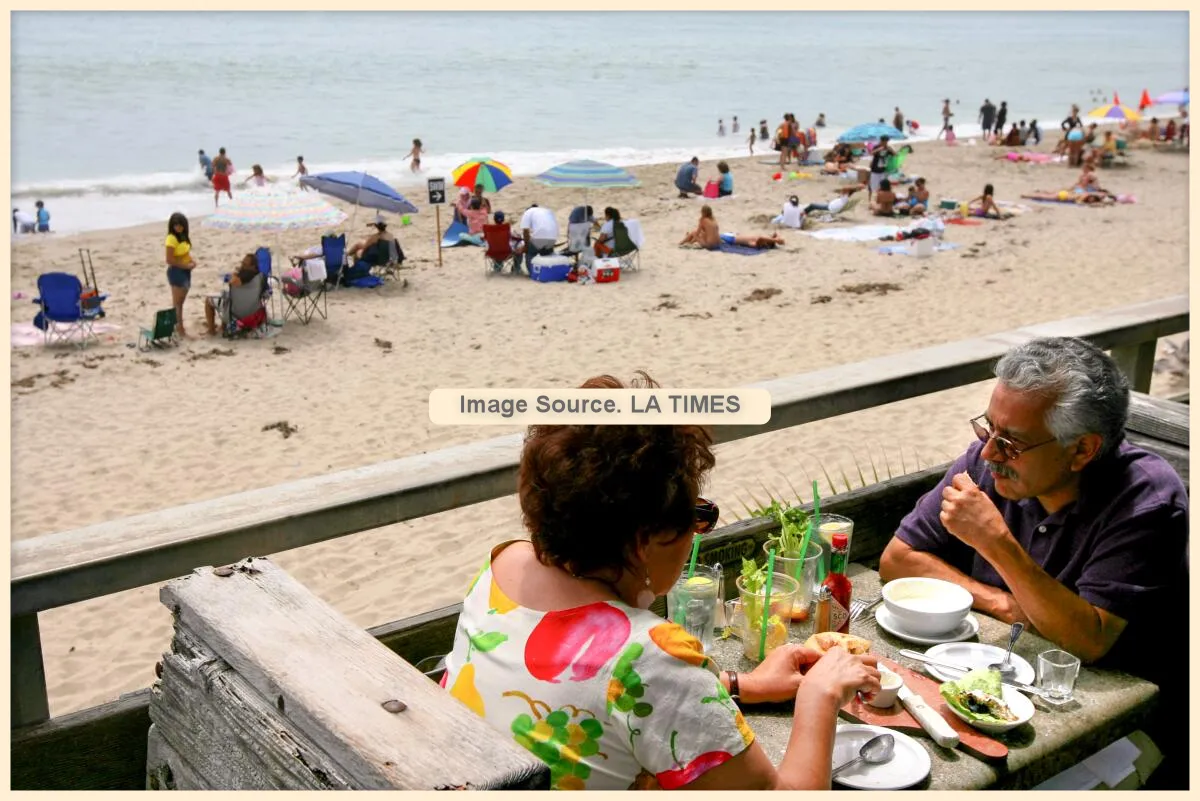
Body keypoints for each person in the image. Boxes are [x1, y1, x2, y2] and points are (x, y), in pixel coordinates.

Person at [441, 372, 880, 791]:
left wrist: (740, 685)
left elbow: (601, 694)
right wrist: (820, 698)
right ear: (644, 542)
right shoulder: (651, 656)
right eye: (696, 515)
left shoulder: (505, 564)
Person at [877, 337, 1187, 786]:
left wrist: (997, 543)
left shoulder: (1147, 503)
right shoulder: (990, 463)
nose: (988, 453)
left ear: (1081, 450)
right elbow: (898, 559)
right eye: (988, 428)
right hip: (1001, 685)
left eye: (1011, 442)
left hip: (1124, 725)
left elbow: (1088, 641)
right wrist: (1007, 605)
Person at [204, 253, 260, 336]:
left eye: (244, 264)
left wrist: (235, 274)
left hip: (235, 311)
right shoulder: (260, 277)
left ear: (252, 267)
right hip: (253, 311)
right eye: (242, 263)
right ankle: (223, 326)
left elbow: (233, 282)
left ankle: (211, 330)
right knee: (228, 300)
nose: (242, 265)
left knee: (209, 300)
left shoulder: (246, 275)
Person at [164, 212, 197, 337]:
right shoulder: (171, 238)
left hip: (185, 270)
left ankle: (177, 327)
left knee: (180, 302)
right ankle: (180, 329)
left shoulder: (183, 236)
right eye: (176, 225)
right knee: (177, 303)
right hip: (177, 271)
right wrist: (186, 266)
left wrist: (191, 262)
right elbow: (169, 259)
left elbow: (185, 253)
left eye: (180, 225)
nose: (178, 227)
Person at [519, 203, 559, 272]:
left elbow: (525, 232)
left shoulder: (528, 213)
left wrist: (526, 246)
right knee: (546, 254)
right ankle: (549, 271)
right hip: (553, 237)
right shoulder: (546, 211)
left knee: (530, 253)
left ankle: (532, 272)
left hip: (540, 238)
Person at [867, 135, 894, 202]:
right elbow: (871, 153)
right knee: (873, 186)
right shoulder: (876, 147)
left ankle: (879, 200)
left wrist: (890, 149)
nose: (886, 143)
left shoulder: (888, 148)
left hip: (883, 169)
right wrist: (879, 149)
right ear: (881, 141)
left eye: (887, 142)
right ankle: (870, 200)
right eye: (885, 142)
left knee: (882, 186)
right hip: (875, 169)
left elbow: (895, 155)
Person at [719, 231, 785, 250]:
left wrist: (776, 240)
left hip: (731, 239)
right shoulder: (760, 240)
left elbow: (761, 238)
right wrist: (777, 239)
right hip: (733, 234)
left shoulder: (756, 244)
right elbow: (776, 232)